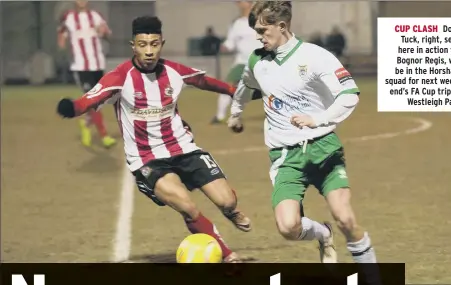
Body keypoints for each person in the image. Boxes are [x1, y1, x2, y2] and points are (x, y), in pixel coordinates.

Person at [57, 16, 251, 263]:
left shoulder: (173, 71)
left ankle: (230, 211)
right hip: (147, 159)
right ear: (133, 46)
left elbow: (203, 81)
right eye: (142, 44)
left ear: (162, 44)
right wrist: (72, 108)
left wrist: (234, 91)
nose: (149, 51)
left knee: (227, 200)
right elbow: (90, 99)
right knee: (187, 206)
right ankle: (226, 253)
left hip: (183, 147)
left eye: (154, 44)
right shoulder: (119, 77)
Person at [228, 1, 377, 264]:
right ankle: (323, 233)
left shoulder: (316, 56)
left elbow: (350, 95)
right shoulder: (257, 60)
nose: (258, 36)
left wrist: (317, 119)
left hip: (323, 149)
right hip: (285, 157)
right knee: (288, 227)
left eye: (263, 31)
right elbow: (244, 85)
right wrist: (235, 114)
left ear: (282, 26)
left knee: (345, 218)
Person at [57, 0, 116, 148]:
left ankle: (86, 122)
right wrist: (63, 41)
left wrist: (104, 33)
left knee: (100, 100)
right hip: (81, 66)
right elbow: (61, 39)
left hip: (97, 65)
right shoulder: (68, 17)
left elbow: (108, 34)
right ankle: (104, 135)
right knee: (93, 101)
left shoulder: (96, 16)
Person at [210, 0, 262, 124]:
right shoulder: (236, 23)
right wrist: (224, 47)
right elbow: (230, 43)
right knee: (227, 87)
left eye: (240, 1)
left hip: (261, 61)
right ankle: (219, 116)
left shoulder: (260, 21)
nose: (238, 4)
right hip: (241, 62)